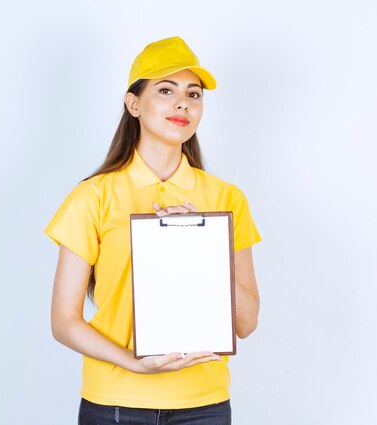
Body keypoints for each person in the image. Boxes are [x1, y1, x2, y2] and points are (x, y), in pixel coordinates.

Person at [44, 36, 261, 425]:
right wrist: (135, 364)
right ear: (133, 104)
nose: (183, 104)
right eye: (166, 90)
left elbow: (246, 323)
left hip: (204, 405)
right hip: (114, 403)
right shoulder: (93, 196)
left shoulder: (227, 198)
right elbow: (64, 321)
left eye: (194, 94)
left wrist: (201, 249)